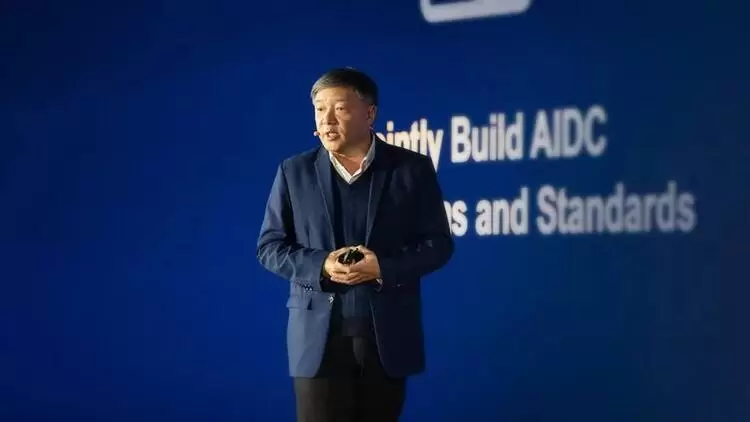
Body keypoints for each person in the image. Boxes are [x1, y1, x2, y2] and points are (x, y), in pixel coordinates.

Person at [256, 67, 454, 422]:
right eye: (320, 109)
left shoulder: (411, 169)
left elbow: (438, 244)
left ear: (370, 113)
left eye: (340, 109)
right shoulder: (293, 171)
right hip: (317, 340)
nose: (327, 120)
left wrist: (383, 267)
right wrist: (321, 265)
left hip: (386, 337)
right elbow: (270, 247)